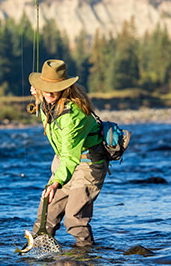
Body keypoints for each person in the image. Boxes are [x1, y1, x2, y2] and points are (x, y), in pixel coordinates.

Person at [29, 59, 108, 247]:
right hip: (63, 162)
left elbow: (71, 156)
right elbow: (65, 156)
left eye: (53, 87)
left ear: (64, 88)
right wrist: (38, 95)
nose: (48, 91)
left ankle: (86, 256)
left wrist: (56, 182)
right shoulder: (45, 102)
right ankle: (40, 256)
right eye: (44, 86)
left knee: (74, 219)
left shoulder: (74, 115)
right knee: (45, 216)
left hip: (87, 164)